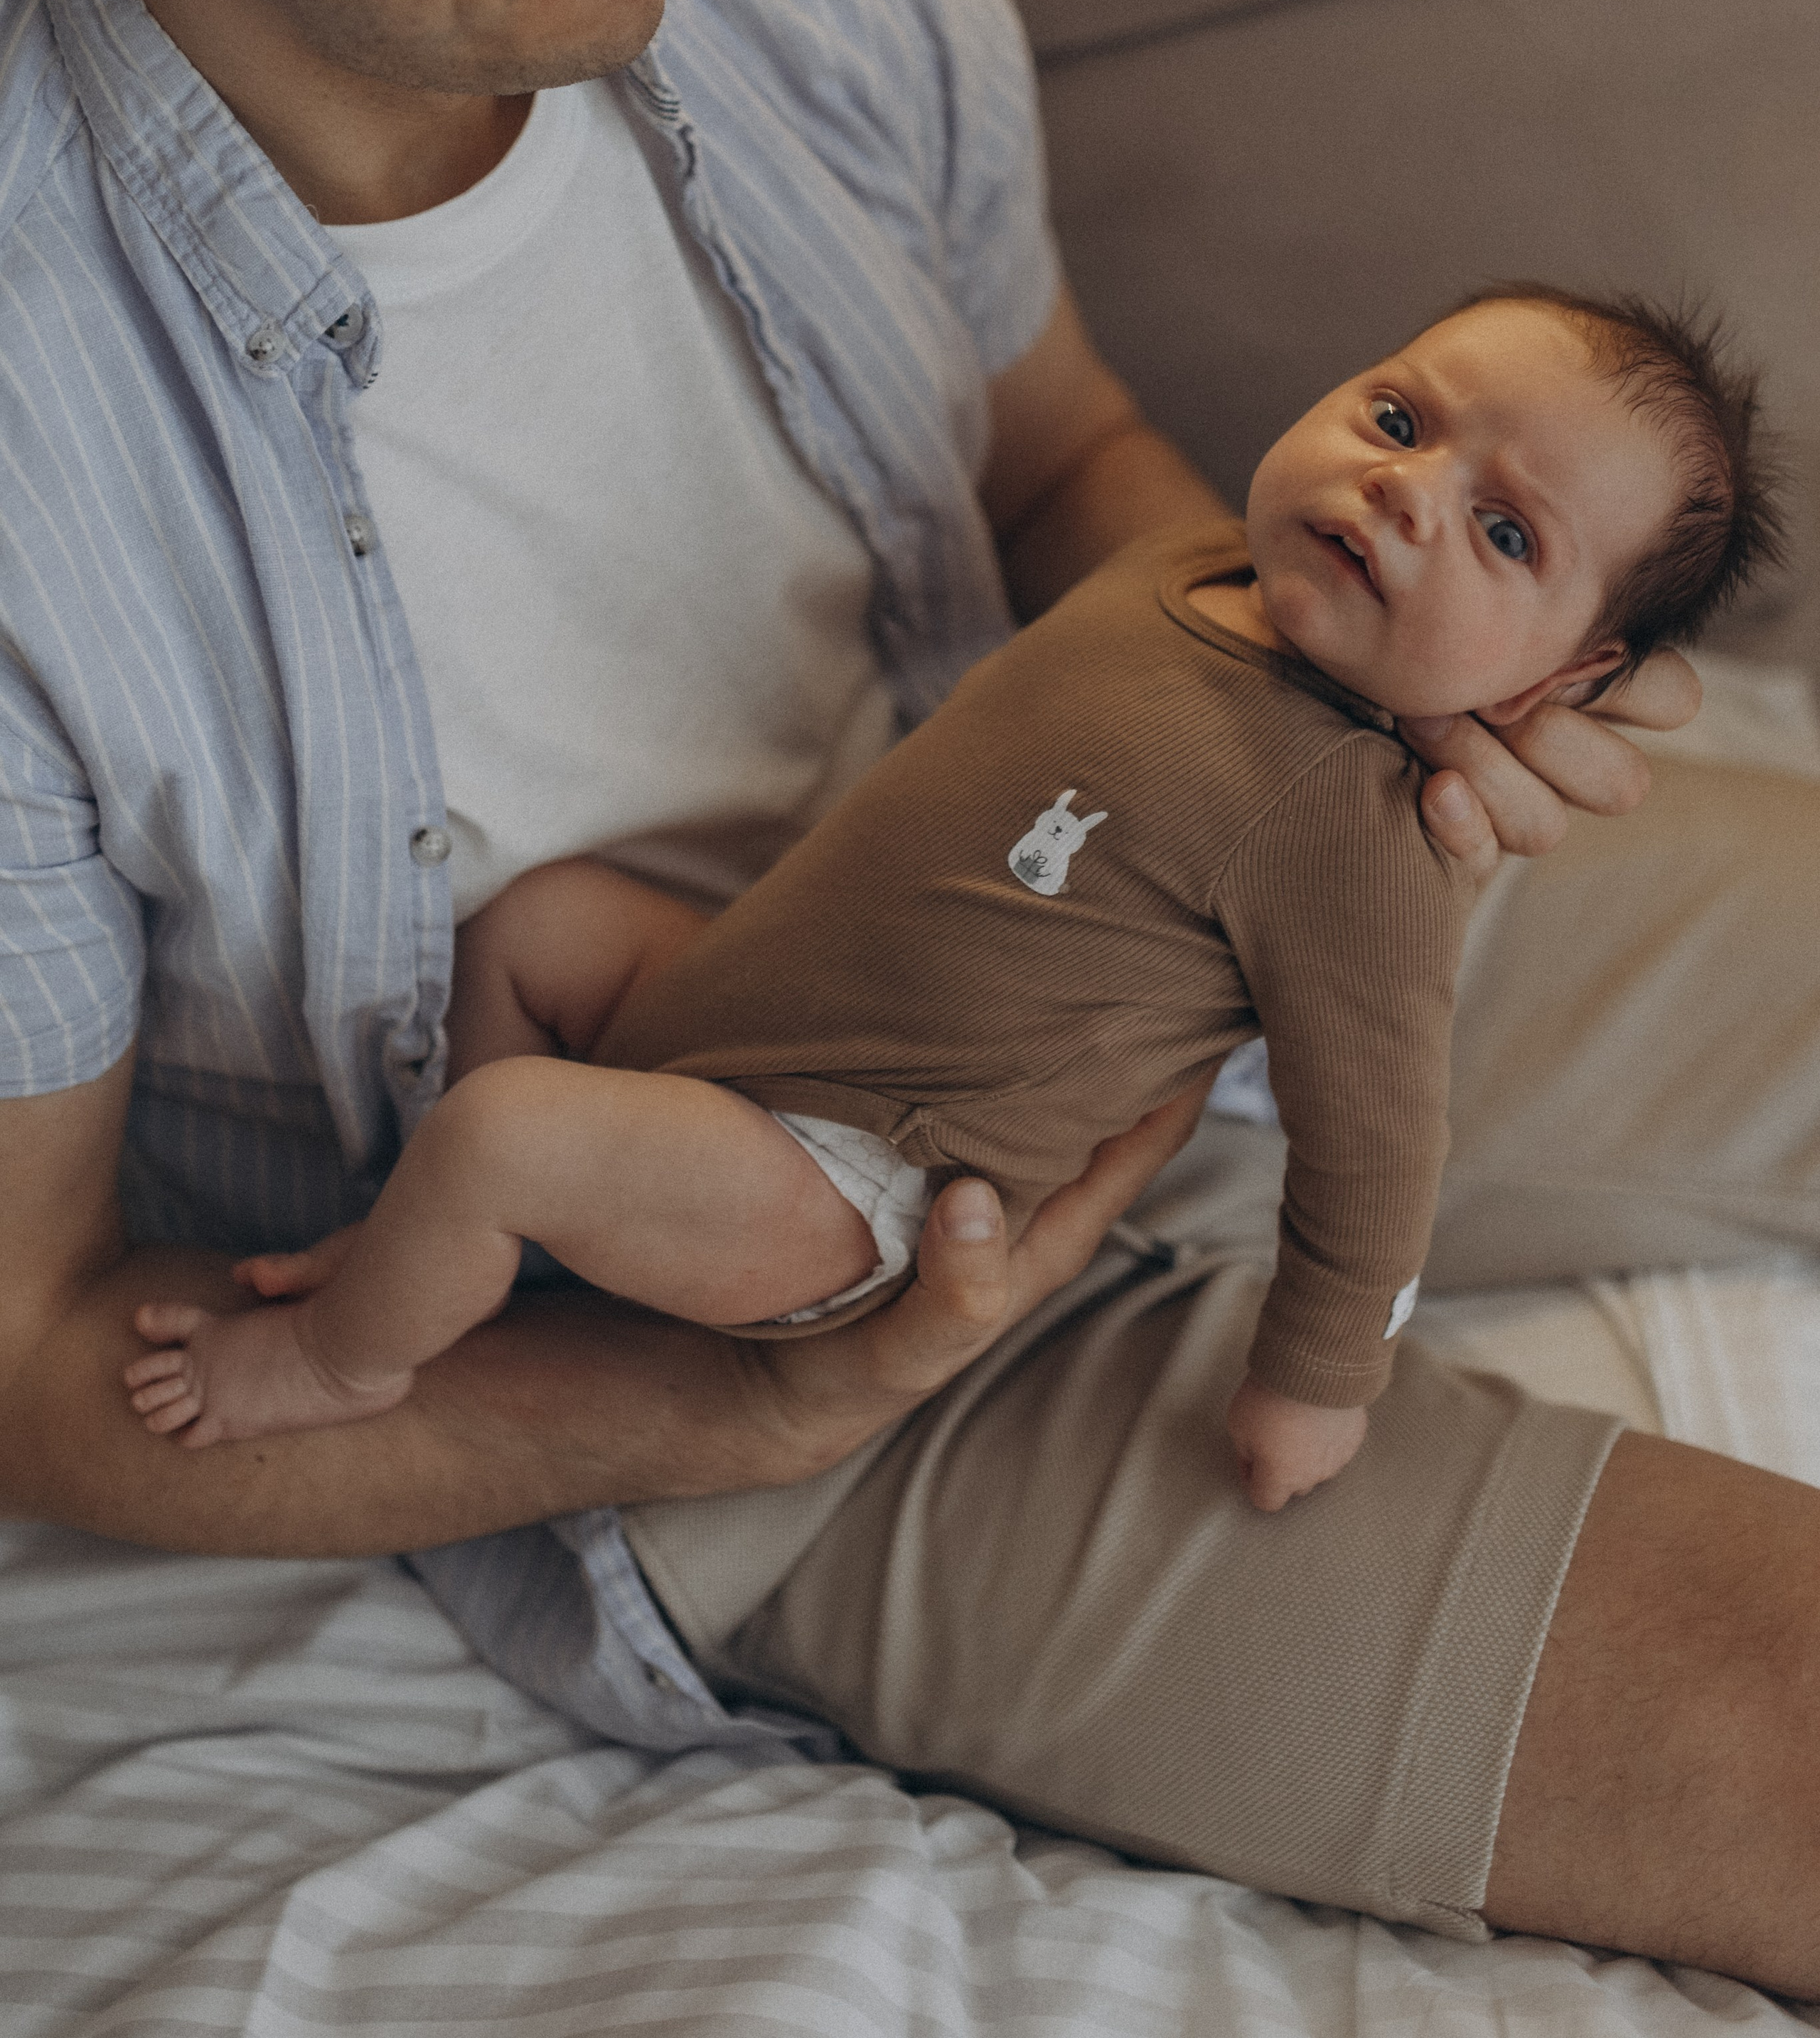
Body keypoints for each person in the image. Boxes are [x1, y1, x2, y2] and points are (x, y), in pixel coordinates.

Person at [0, 0, 1817, 1995]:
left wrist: (1385, 714)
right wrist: (753, 1401)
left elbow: (1068, 462)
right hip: (731, 1338)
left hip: (1169, 896)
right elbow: (37, 1364)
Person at [119, 288, 1779, 1527]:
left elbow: (1378, 1139)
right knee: (538, 928)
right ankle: (444, 1252)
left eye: (1502, 532)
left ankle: (355, 1356)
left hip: (858, 1175)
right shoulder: (1186, 568)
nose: (1407, 491)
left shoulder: (1349, 834)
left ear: (1562, 680)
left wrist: (1316, 1382)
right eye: (1400, 421)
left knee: (503, 1132)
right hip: (742, 1015)